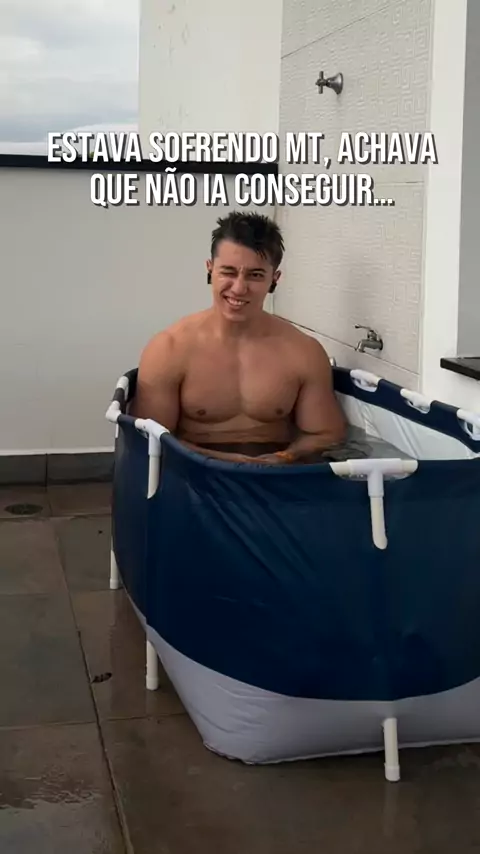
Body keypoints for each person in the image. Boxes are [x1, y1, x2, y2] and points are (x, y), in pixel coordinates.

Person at [129, 211, 346, 464]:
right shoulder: (169, 349)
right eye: (228, 272)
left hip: (276, 472)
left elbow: (326, 435)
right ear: (210, 269)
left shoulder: (304, 352)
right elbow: (151, 440)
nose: (239, 288)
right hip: (194, 474)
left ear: (274, 279)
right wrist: (225, 462)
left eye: (255, 275)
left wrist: (284, 456)